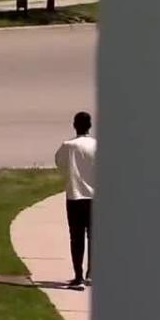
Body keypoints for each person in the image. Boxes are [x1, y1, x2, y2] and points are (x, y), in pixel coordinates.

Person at [55, 111, 96, 290]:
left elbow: (59, 163)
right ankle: (92, 273)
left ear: (75, 125)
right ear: (90, 125)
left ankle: (78, 277)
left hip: (75, 196)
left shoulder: (68, 146)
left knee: (76, 237)